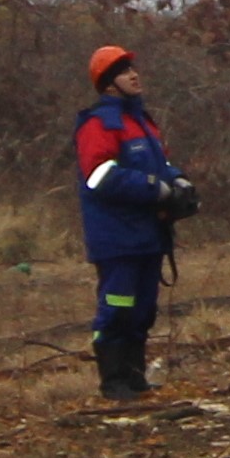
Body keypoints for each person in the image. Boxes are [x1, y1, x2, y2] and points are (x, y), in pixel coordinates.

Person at [75, 44, 195, 400]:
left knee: (142, 309)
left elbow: (160, 165)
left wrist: (179, 181)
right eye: (124, 70)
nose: (134, 74)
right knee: (117, 307)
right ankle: (113, 381)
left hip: (147, 237)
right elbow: (98, 176)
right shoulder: (99, 124)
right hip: (117, 239)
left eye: (132, 67)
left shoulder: (141, 121)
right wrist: (153, 189)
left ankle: (134, 378)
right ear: (109, 84)